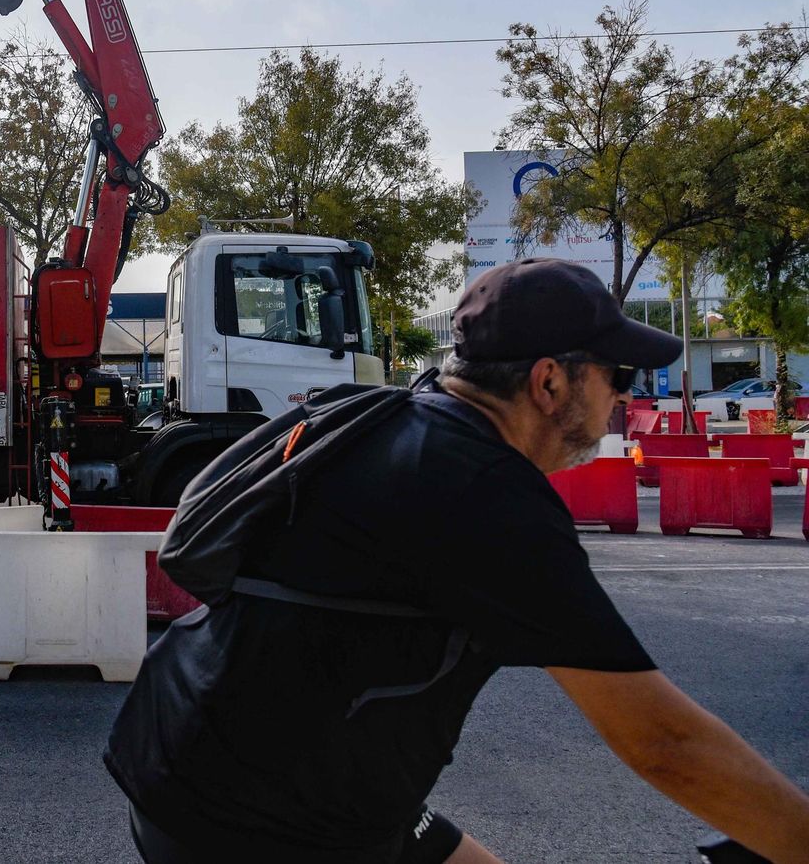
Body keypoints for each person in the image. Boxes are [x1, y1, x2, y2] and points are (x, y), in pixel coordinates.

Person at [105, 258, 809, 863]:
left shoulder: (387, 418)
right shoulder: (483, 491)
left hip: (202, 759)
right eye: (616, 372)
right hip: (265, 825)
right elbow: (662, 741)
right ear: (550, 383)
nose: (626, 395)